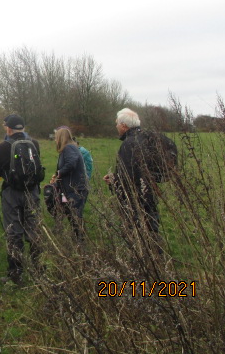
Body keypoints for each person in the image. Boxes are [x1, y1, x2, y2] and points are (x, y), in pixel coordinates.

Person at [0, 114, 43, 285]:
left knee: (13, 232)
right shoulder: (34, 144)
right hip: (32, 192)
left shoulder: (2, 147)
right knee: (34, 229)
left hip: (11, 193)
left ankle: (16, 273)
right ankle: (39, 269)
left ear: (9, 129)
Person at [103, 108, 162, 253]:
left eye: (117, 123)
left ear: (124, 125)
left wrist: (115, 182)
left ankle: (144, 264)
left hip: (135, 198)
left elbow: (128, 177)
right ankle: (156, 262)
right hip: (149, 193)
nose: (116, 126)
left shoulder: (129, 144)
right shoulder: (147, 139)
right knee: (151, 228)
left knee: (137, 232)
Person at [50, 126, 89, 241]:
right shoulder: (70, 148)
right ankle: (77, 240)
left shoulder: (69, 148)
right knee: (71, 215)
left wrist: (59, 173)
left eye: (56, 138)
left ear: (61, 138)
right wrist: (57, 175)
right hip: (70, 190)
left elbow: (71, 163)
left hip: (76, 190)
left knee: (75, 217)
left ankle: (80, 243)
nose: (55, 140)